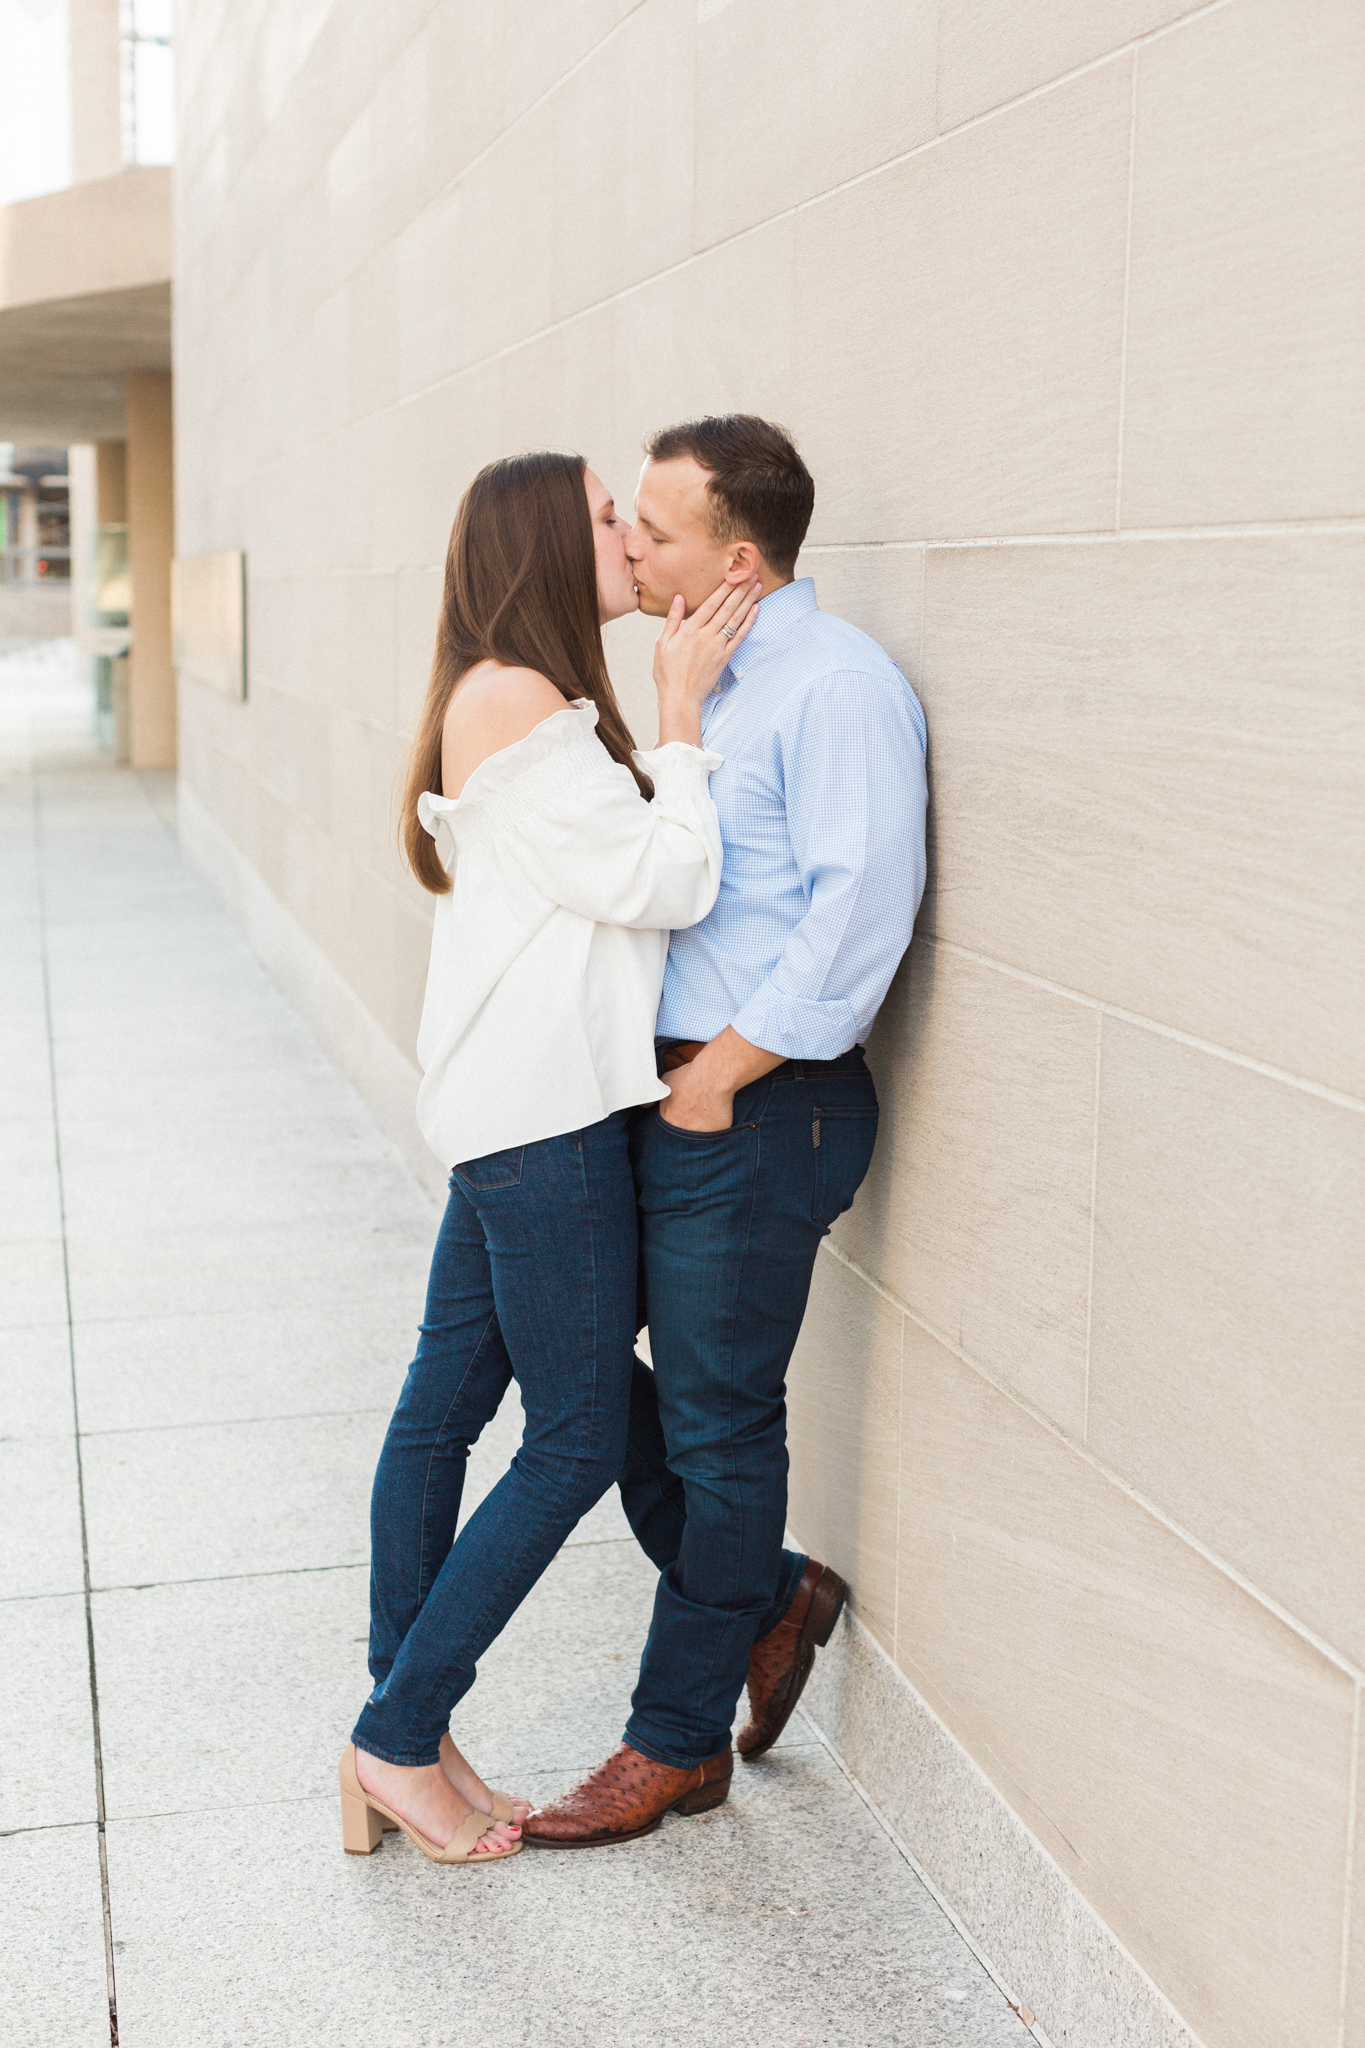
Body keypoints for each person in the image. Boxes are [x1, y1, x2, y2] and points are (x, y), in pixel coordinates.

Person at [338, 449, 759, 1866]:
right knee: (574, 1438)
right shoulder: (520, 700)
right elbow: (666, 879)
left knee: (442, 1409)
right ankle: (396, 1737)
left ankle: (401, 1730)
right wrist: (684, 721)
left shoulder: (499, 693)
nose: (629, 535)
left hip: (510, 1113)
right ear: (539, 541)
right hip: (547, 1128)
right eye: (602, 516)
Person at [523, 416, 928, 1849]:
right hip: (667, 1095)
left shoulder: (835, 687)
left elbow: (857, 910)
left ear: (732, 558)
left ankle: (674, 1741)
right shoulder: (712, 679)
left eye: (653, 527)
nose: (627, 544)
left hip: (756, 1109)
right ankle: (764, 1595)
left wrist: (721, 1077)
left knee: (713, 1424)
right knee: (565, 1359)